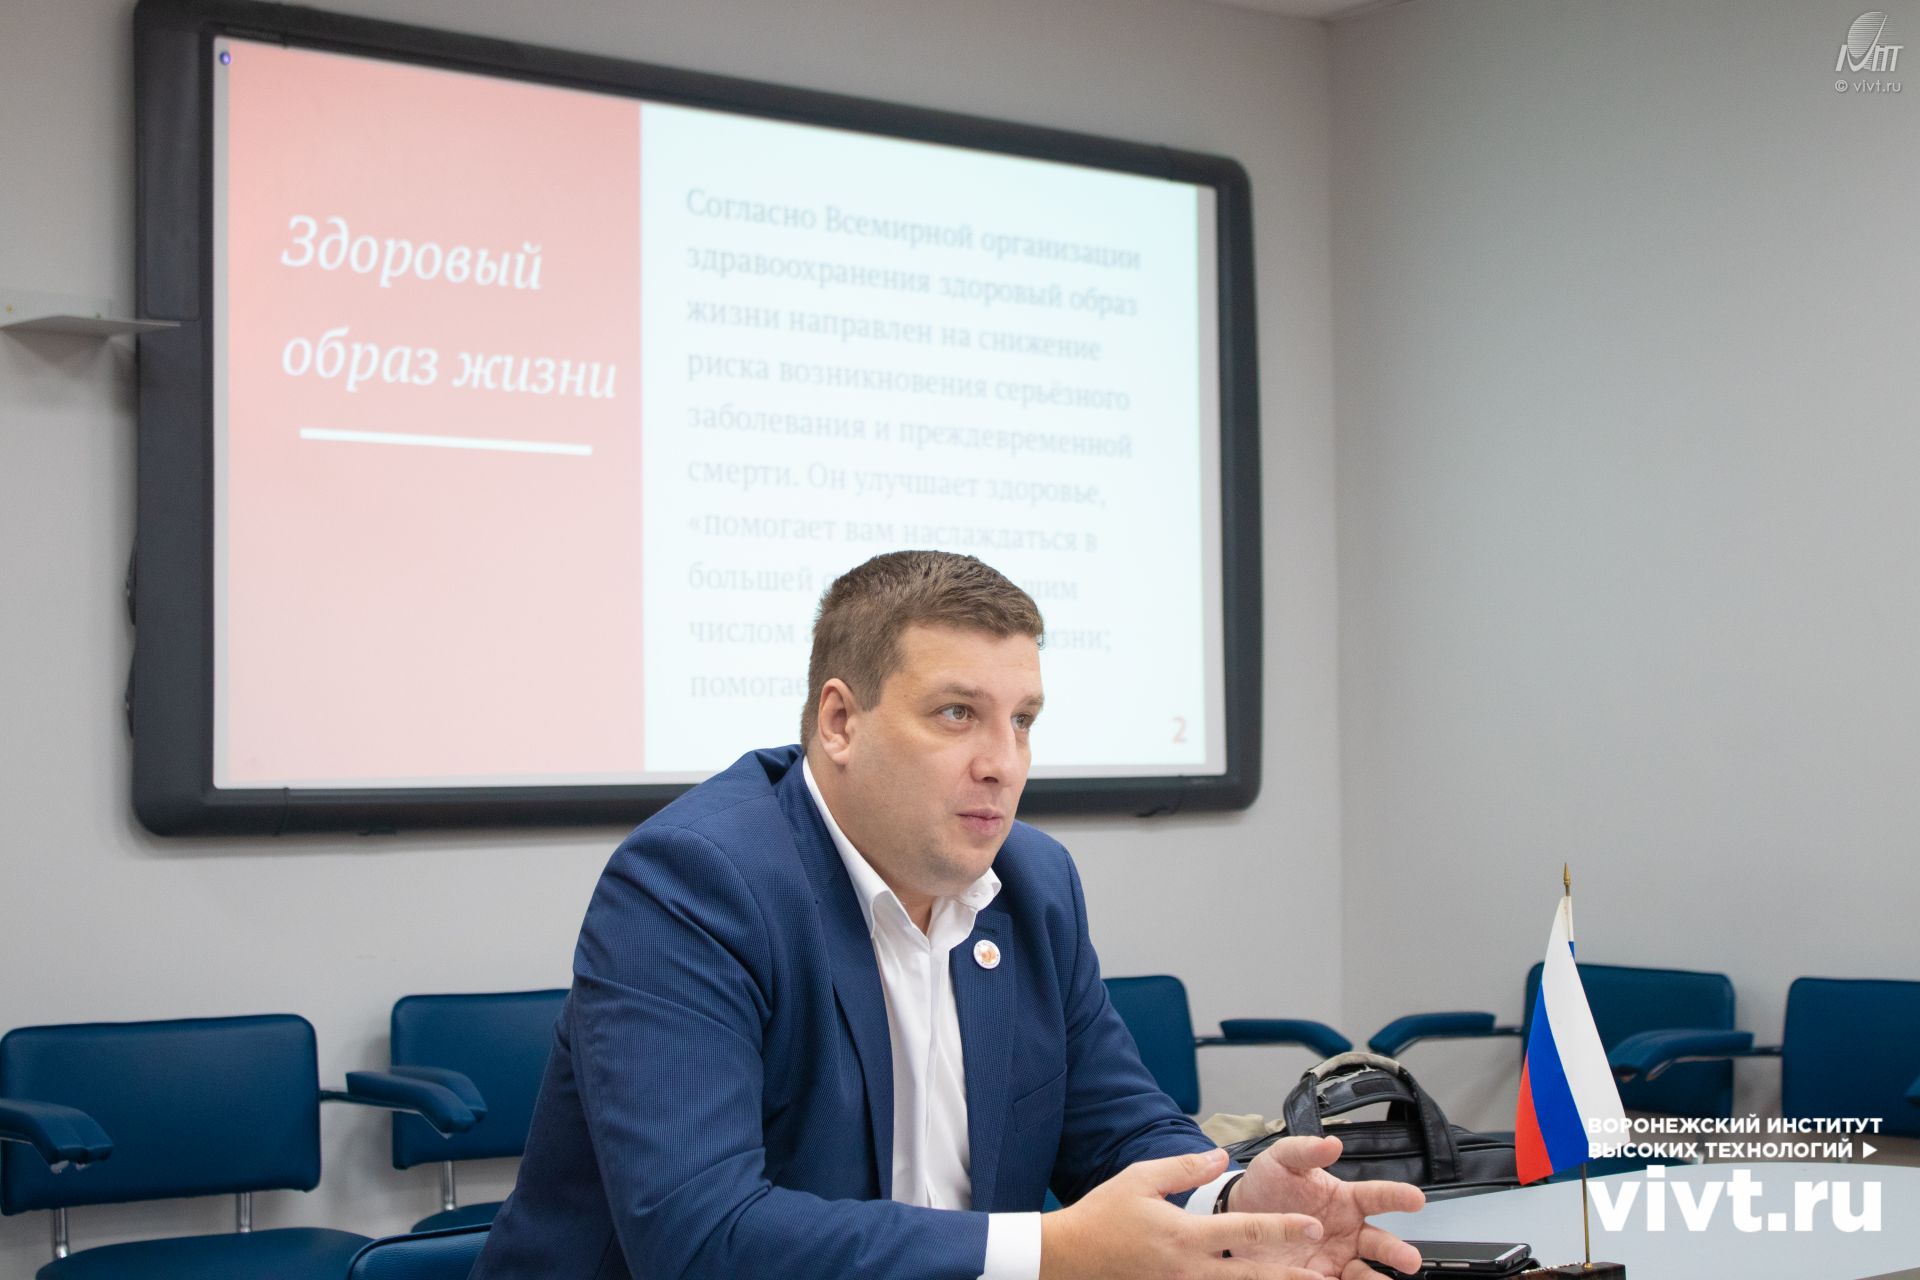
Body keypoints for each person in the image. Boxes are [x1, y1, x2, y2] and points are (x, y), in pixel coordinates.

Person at [471, 551, 1424, 1280]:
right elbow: (700, 1236)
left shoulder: (1034, 882)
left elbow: (1118, 1128)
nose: (1003, 763)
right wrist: (1049, 1250)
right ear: (839, 723)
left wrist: (1233, 1205)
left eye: (1023, 721)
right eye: (958, 714)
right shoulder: (693, 885)